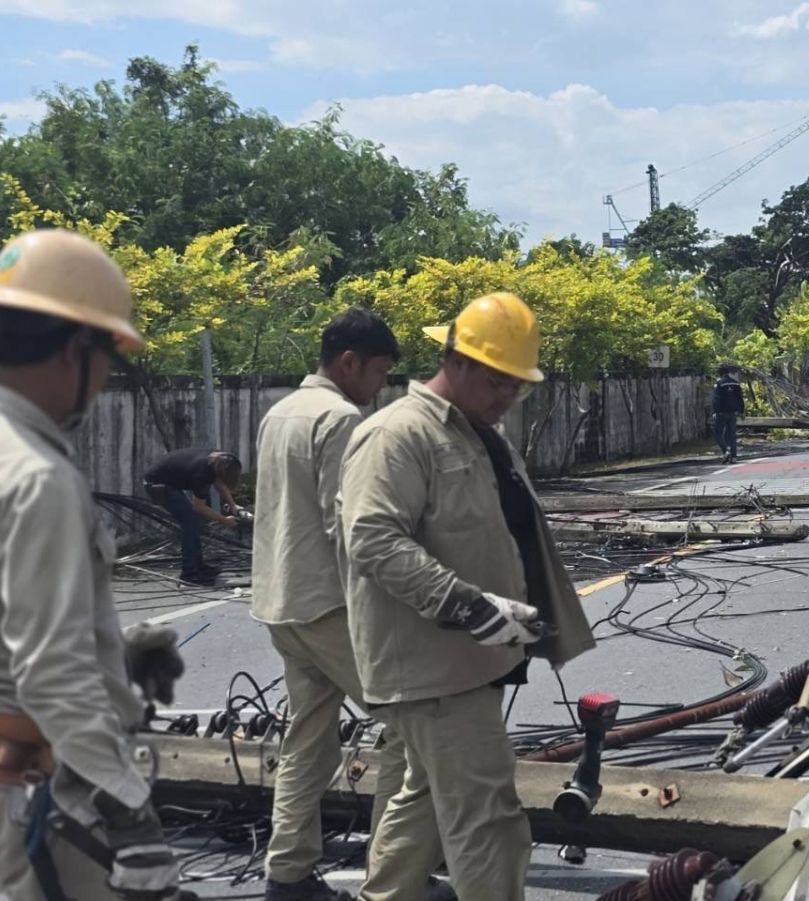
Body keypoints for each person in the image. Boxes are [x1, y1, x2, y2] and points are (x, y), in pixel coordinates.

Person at [0, 230, 186, 901]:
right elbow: (50, 670)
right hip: (41, 783)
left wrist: (115, 654)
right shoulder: (39, 477)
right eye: (107, 359)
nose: (102, 382)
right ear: (77, 349)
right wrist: (130, 811)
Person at [341, 292, 595, 901]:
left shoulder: (479, 435)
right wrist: (472, 607)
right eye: (496, 381)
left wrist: (526, 618)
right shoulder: (399, 434)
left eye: (517, 385)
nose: (506, 395)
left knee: (424, 799)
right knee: (489, 820)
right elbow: (372, 539)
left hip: (469, 660)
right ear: (455, 360)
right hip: (433, 669)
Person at [251, 308, 443, 901]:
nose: (381, 387)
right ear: (349, 362)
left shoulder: (282, 411)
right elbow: (350, 527)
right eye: (380, 372)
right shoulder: (340, 419)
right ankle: (396, 879)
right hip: (331, 607)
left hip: (281, 602)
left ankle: (288, 875)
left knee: (309, 739)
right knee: (417, 731)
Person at [142, 447, 243, 586]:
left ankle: (199, 566)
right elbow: (199, 507)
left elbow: (219, 483)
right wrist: (224, 520)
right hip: (157, 485)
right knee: (189, 523)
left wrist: (233, 506)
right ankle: (189, 573)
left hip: (168, 481)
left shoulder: (217, 459)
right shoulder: (203, 473)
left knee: (193, 523)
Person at [711, 364, 745, 464]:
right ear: (728, 373)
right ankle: (734, 457)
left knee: (718, 433)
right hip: (733, 413)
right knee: (731, 435)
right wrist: (741, 411)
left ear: (720, 374)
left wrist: (715, 411)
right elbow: (740, 398)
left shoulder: (719, 383)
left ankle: (726, 450)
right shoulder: (735, 383)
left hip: (722, 412)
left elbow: (717, 399)